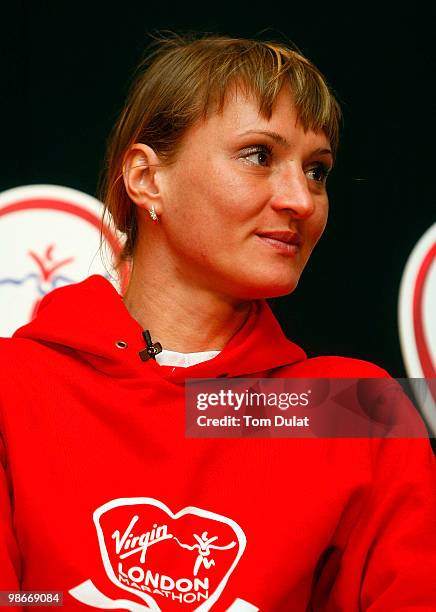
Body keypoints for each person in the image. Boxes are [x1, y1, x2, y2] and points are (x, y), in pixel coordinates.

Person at [0, 34, 435, 612]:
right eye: (259, 155)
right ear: (147, 179)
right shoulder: (16, 385)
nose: (301, 200)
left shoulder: (354, 408)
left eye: (317, 171)